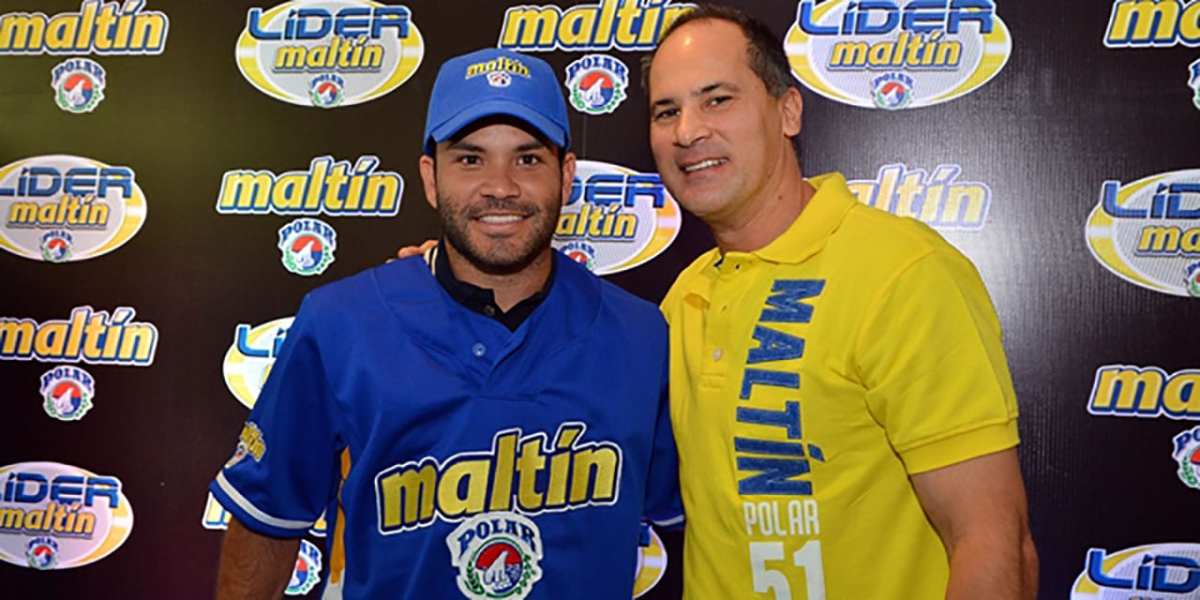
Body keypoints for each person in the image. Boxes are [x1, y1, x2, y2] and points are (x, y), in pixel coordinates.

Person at [211, 47, 682, 600]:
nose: (500, 186)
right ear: (431, 178)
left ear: (566, 176)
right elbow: (265, 518)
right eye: (470, 159)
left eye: (528, 159)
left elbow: (703, 523)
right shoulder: (341, 324)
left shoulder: (642, 336)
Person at [644, 5, 1037, 599]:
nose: (687, 131)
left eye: (717, 99)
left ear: (788, 110)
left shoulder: (901, 272)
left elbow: (993, 541)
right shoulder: (685, 297)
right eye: (666, 111)